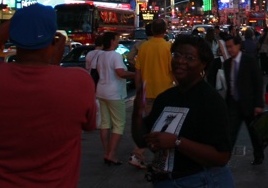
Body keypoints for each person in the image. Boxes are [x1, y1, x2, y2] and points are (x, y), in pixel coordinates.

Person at [0, 4, 96, 187]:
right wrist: (53, 66)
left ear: (14, 37)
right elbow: (89, 125)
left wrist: (19, 21)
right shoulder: (79, 82)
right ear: (53, 42)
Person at [133, 33, 234, 187]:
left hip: (201, 181)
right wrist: (137, 111)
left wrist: (177, 142)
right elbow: (142, 140)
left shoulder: (211, 101)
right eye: (177, 55)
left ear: (203, 64)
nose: (180, 61)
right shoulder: (165, 98)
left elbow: (221, 156)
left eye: (189, 58)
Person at [130, 19, 175, 170]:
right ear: (165, 30)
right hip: (165, 92)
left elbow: (138, 72)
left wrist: (139, 91)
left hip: (147, 93)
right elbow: (173, 71)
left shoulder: (144, 48)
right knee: (164, 127)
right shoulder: (168, 48)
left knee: (148, 124)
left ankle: (139, 154)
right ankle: (154, 158)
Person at [223, 34, 266, 165]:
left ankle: (259, 155)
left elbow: (258, 82)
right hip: (233, 104)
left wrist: (259, 104)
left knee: (254, 133)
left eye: (231, 46)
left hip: (250, 104)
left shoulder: (249, 61)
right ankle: (224, 157)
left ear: (238, 46)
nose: (229, 50)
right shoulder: (226, 64)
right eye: (227, 47)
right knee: (230, 133)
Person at [95, 31, 136, 165]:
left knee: (105, 124)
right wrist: (135, 75)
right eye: (117, 39)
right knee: (118, 124)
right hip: (115, 93)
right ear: (112, 41)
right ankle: (112, 154)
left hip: (101, 91)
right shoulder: (116, 56)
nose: (118, 42)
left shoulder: (100, 56)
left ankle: (106, 152)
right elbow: (120, 73)